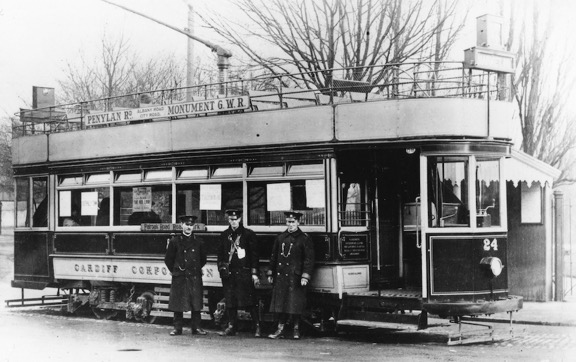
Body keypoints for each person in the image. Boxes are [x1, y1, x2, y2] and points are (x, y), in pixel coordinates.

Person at [267, 211, 315, 339]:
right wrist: (271, 273)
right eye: (288, 222)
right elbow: (274, 257)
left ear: (298, 222)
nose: (291, 225)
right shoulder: (281, 238)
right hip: (281, 276)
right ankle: (280, 329)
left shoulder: (304, 239)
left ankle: (296, 329)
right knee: (281, 304)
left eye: (293, 222)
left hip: (296, 277)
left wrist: (305, 276)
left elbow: (309, 260)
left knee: (295, 305)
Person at [217, 209, 261, 337]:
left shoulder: (248, 234)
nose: (233, 222)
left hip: (244, 273)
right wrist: (221, 268)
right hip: (229, 274)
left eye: (235, 219)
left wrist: (254, 273)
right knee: (230, 301)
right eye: (231, 219)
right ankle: (232, 326)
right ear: (228, 220)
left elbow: (254, 255)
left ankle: (257, 327)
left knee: (250, 301)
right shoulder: (224, 235)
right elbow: (220, 255)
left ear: (240, 219)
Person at [164, 215, 207, 336]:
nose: (189, 227)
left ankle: (196, 328)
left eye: (191, 225)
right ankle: (177, 328)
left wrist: (196, 268)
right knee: (178, 302)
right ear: (182, 225)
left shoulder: (199, 242)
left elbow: (203, 259)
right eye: (186, 225)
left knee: (196, 302)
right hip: (180, 275)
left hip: (194, 275)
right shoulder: (175, 241)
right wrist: (175, 270)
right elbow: (168, 259)